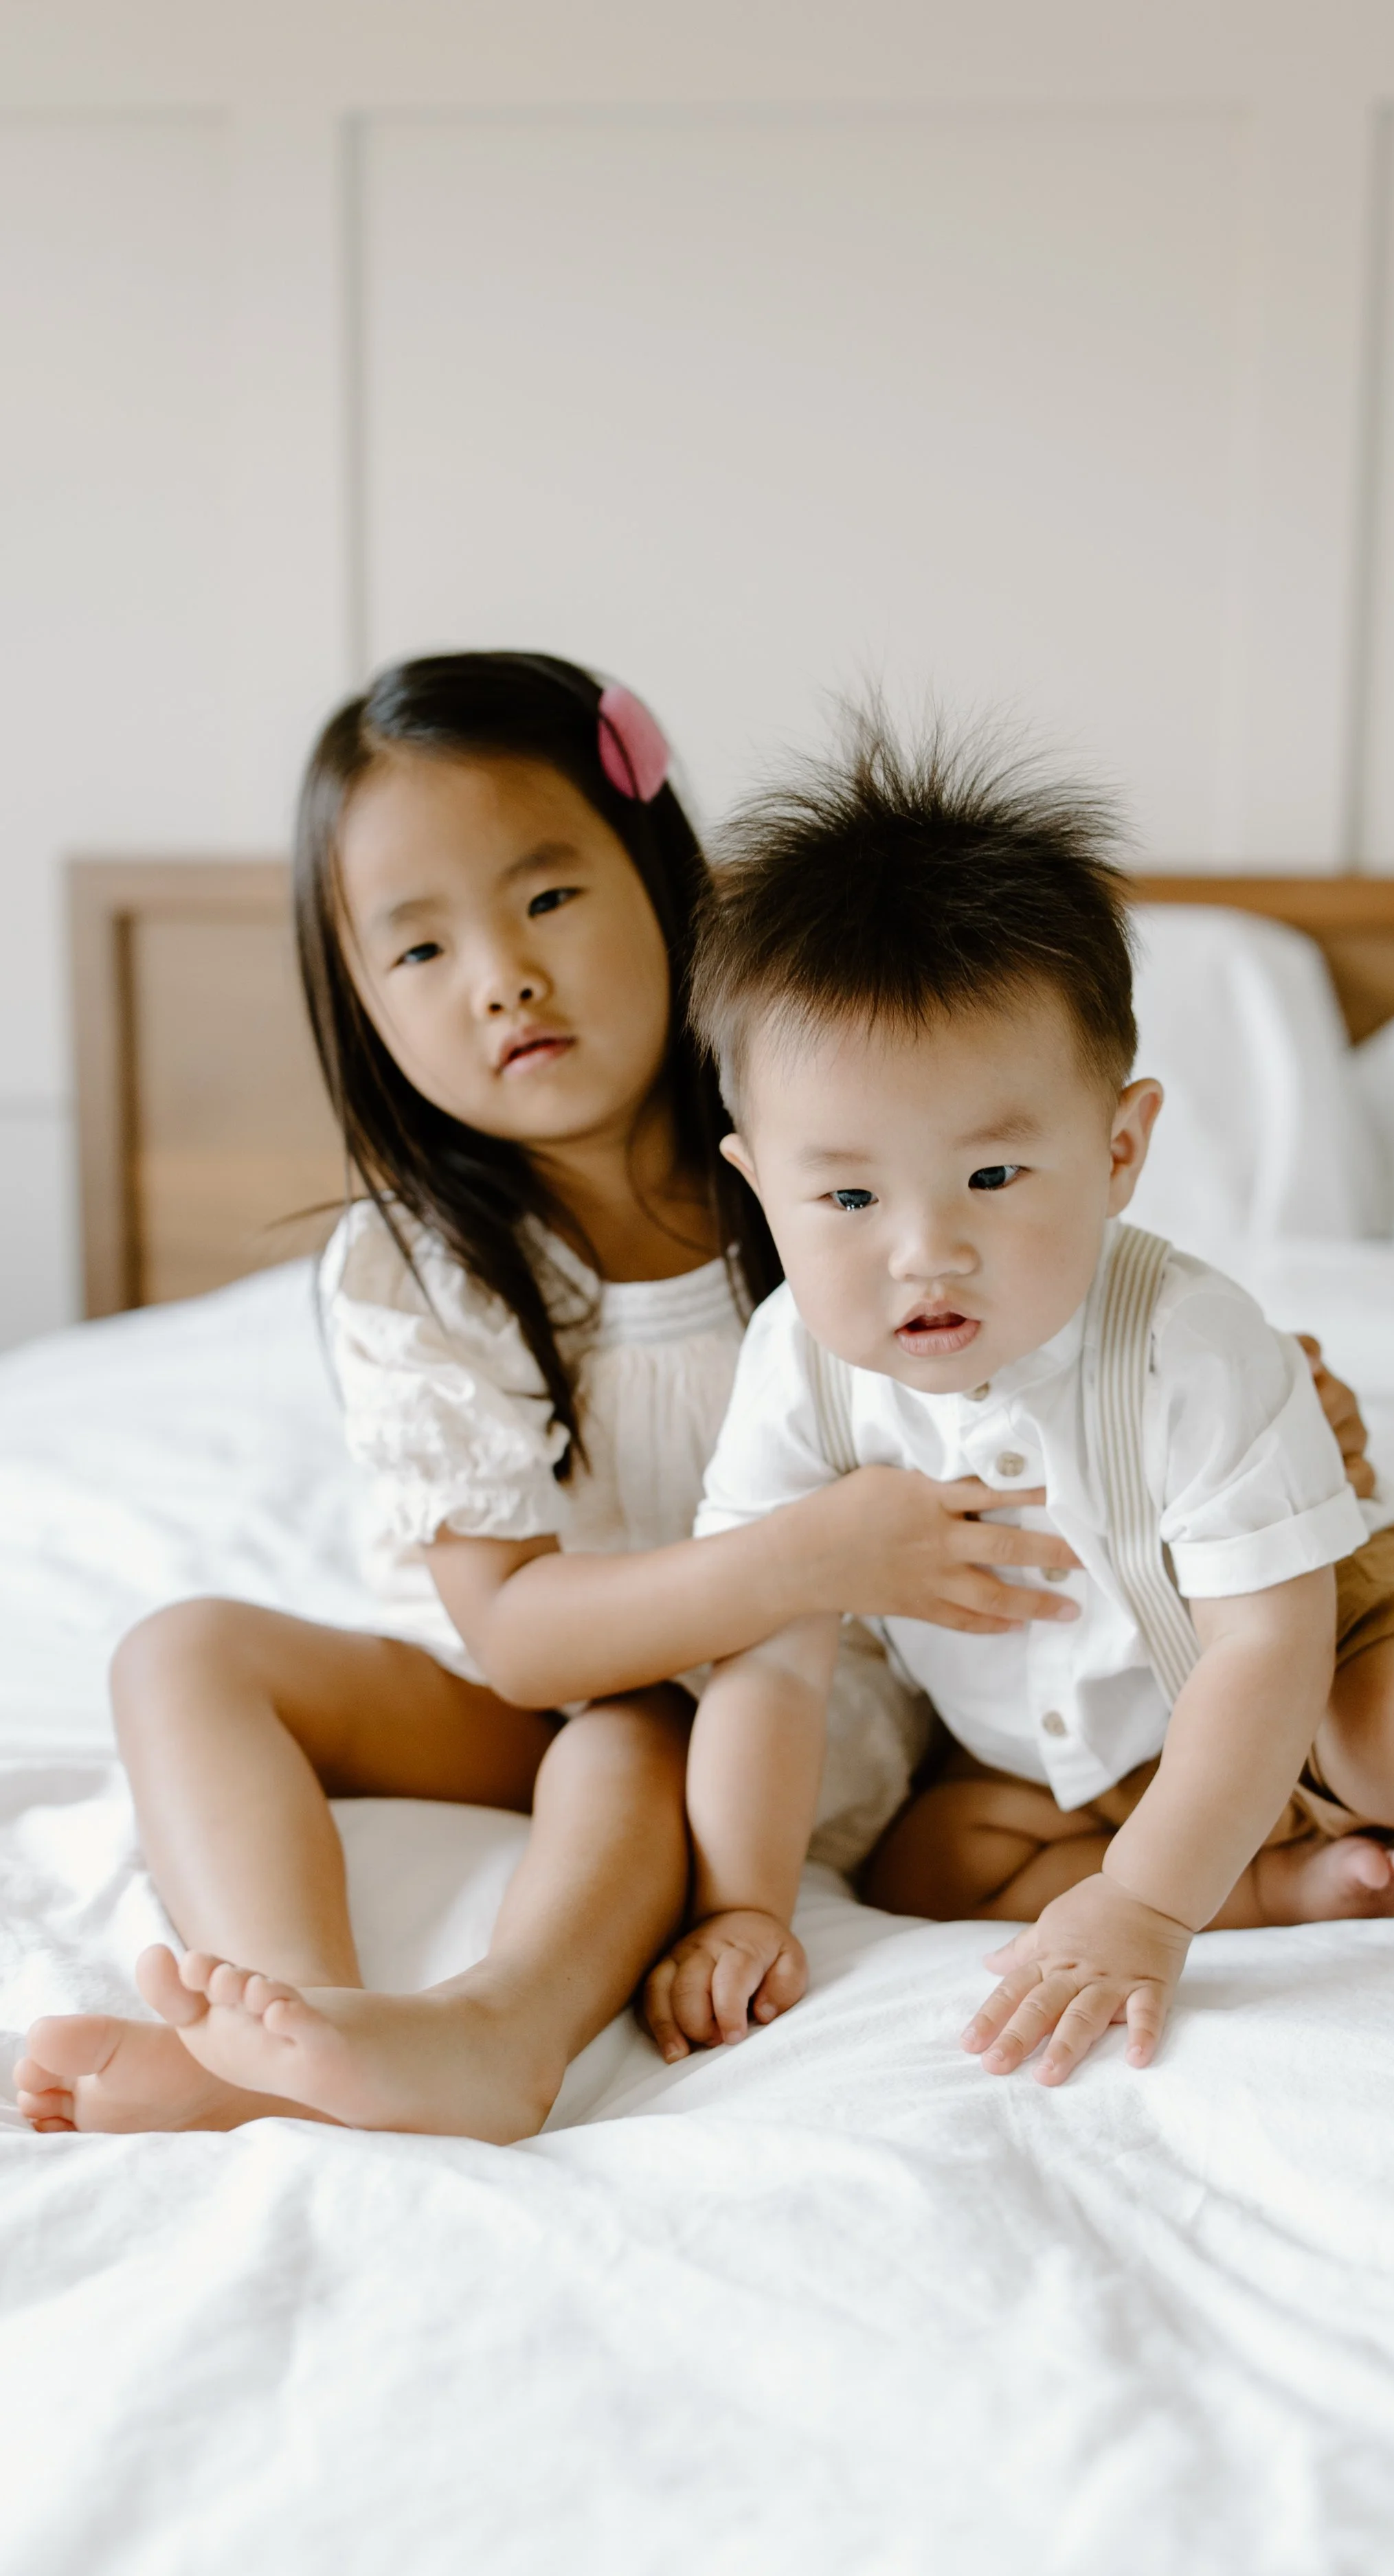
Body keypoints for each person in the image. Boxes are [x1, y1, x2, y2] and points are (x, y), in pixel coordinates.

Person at [13, 655, 1110, 2142]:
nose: (501, 977)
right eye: (417, 951)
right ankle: (286, 2022)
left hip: (783, 1704)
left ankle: (494, 2032)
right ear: (358, 1002)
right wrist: (812, 1546)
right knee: (178, 1652)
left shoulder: (830, 1167)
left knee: (633, 1726)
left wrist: (1249, 1398)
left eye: (545, 899)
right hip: (536, 1675)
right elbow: (516, 1641)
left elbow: (1046, 1277)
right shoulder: (415, 1269)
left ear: (665, 884)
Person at [642, 712, 1394, 2088]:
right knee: (922, 1862)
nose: (923, 1250)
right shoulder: (795, 1362)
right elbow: (771, 1660)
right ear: (754, 1181)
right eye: (846, 1196)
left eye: (990, 1178)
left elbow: (1264, 1652)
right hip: (1075, 1746)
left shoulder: (1188, 1350)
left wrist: (1142, 1909)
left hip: (1302, 1640)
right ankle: (1267, 1884)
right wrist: (739, 1898)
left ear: (1119, 1147)